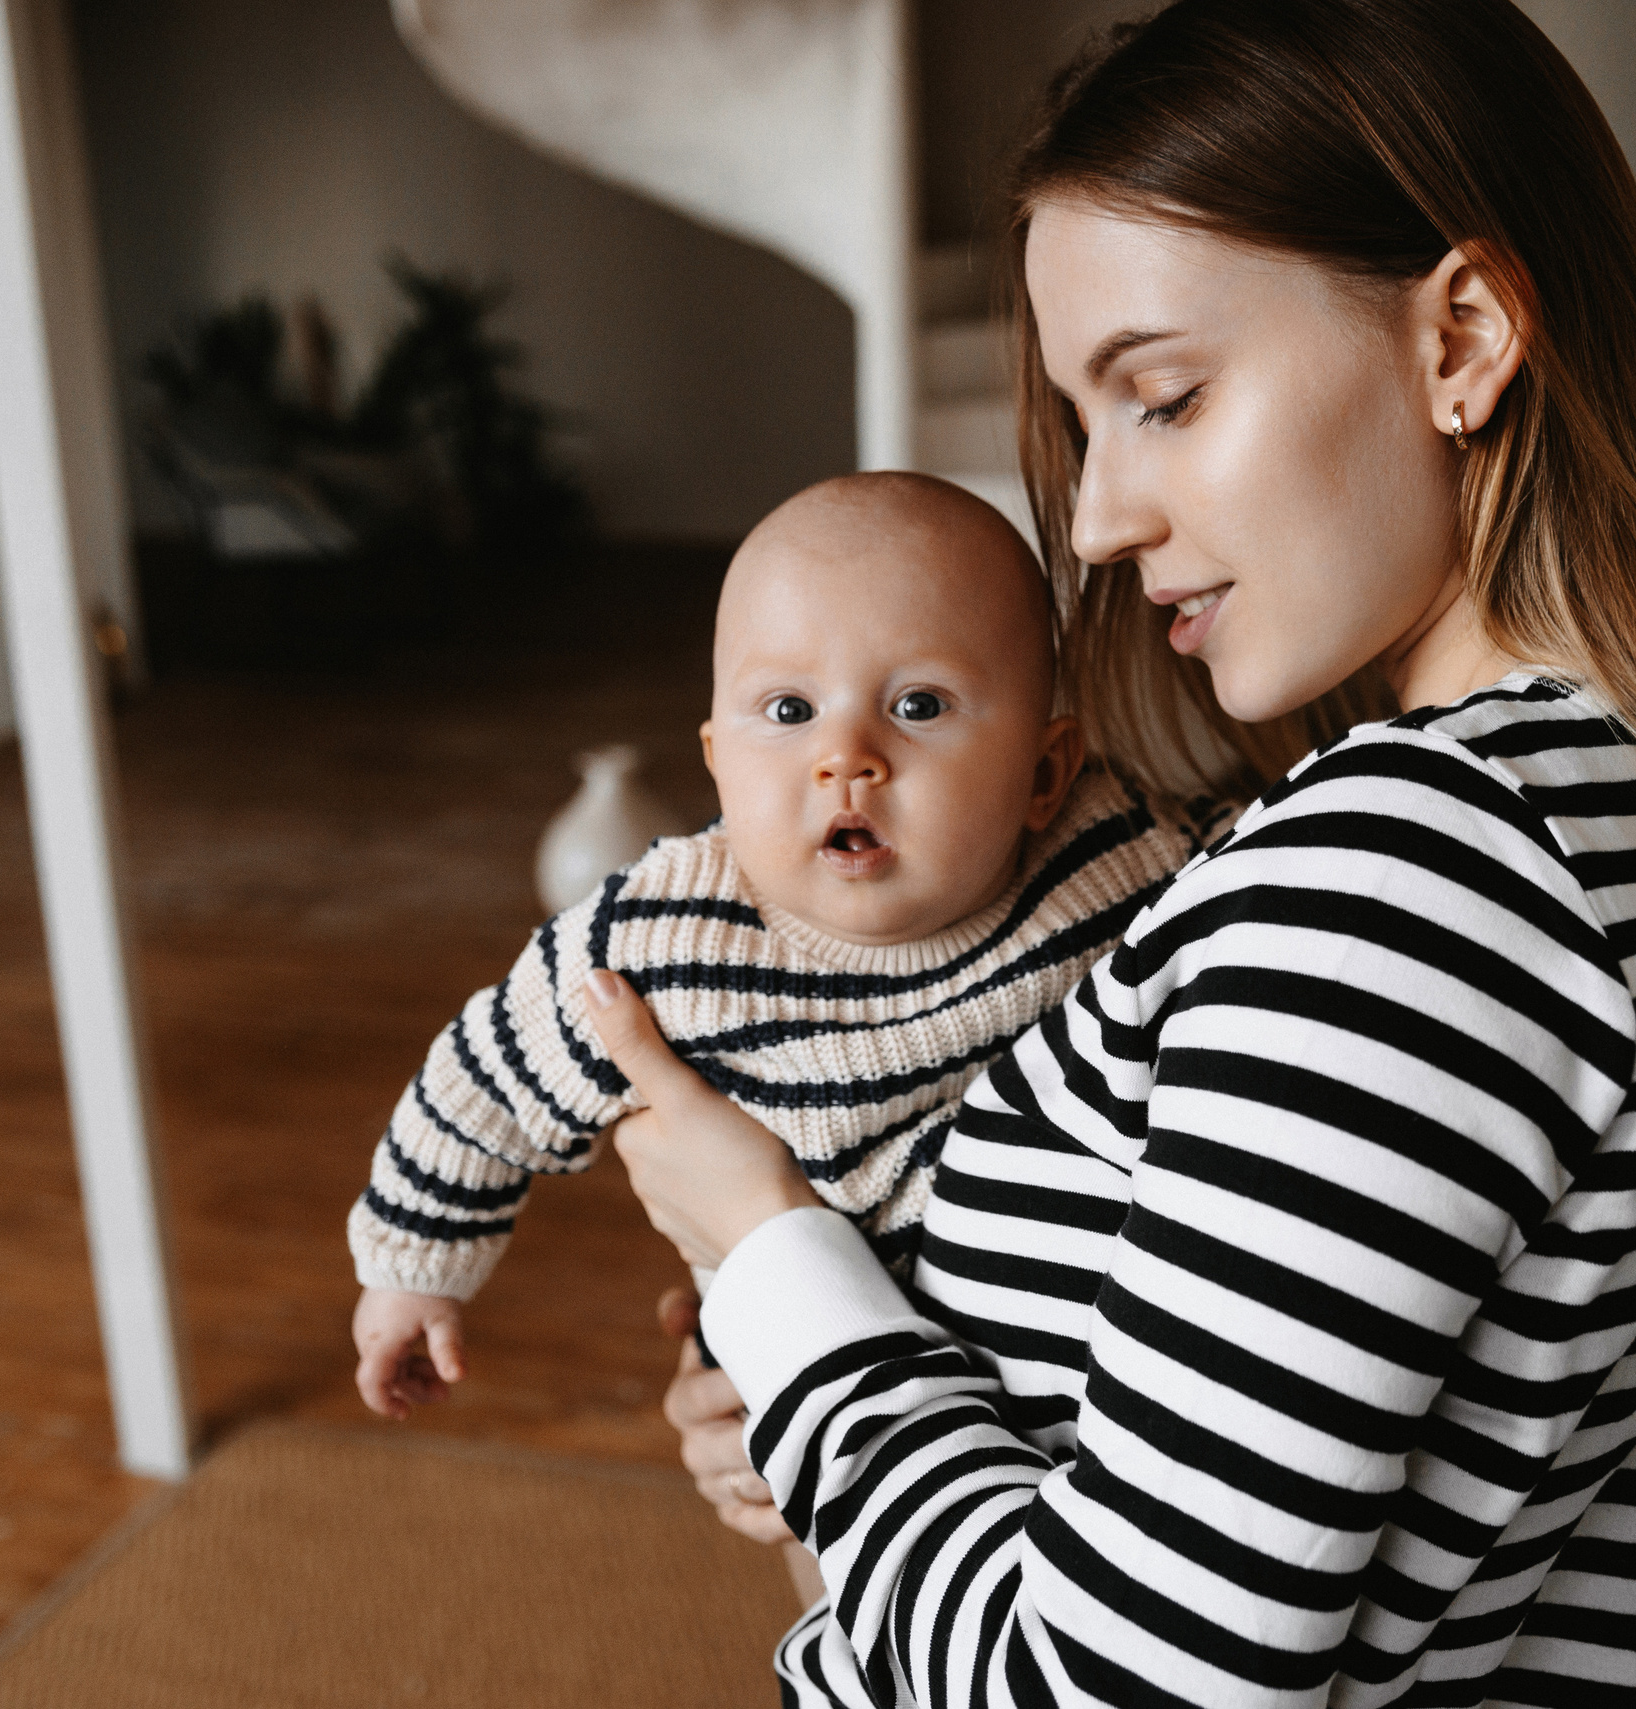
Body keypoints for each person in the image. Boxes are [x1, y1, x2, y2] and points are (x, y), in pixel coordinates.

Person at [589, 0, 1636, 1702]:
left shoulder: (1413, 883)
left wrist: (770, 1247)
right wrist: (824, 1408)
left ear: (1460, 338)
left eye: (1162, 394)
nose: (1092, 516)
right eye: (1089, 423)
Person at [348, 472, 1222, 1420]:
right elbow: (484, 1082)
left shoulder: (1115, 853)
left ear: (1046, 772)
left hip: (1079, 1364)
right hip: (809, 1374)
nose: (845, 756)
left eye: (919, 705)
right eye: (790, 710)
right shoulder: (661, 935)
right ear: (719, 761)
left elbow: (1262, 868)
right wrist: (412, 1273)